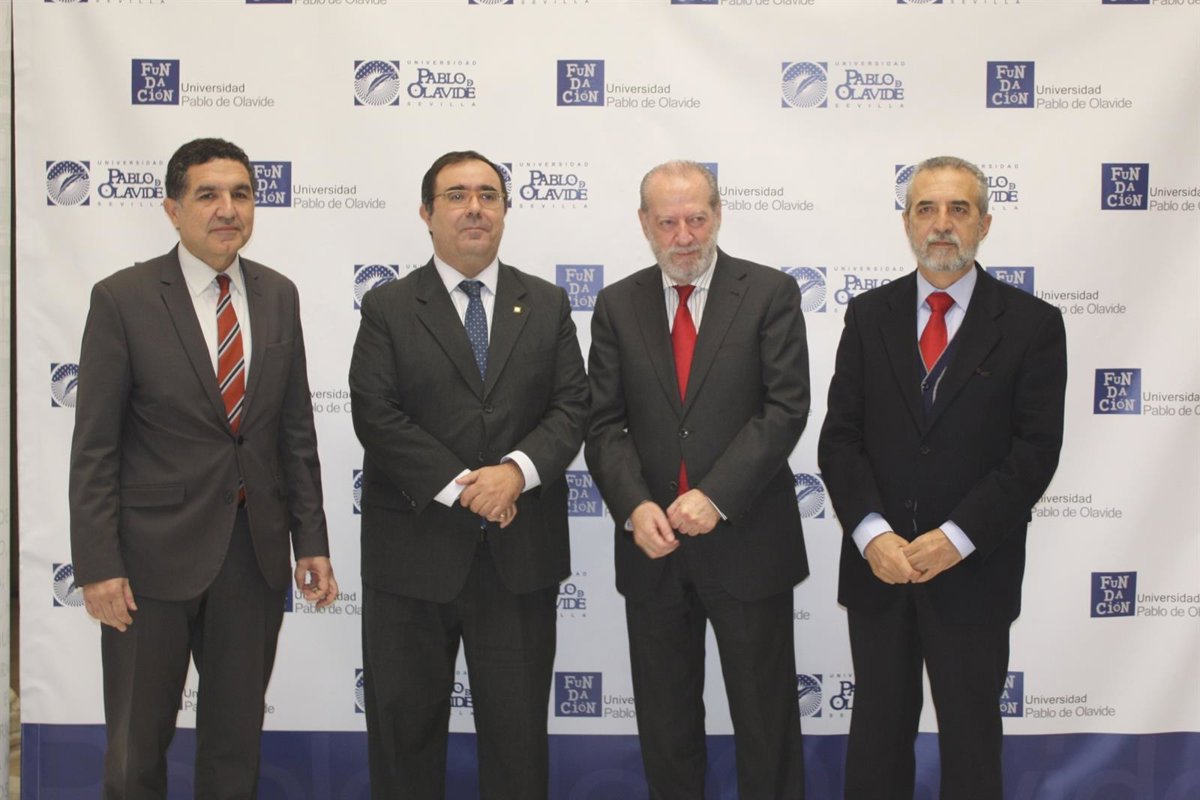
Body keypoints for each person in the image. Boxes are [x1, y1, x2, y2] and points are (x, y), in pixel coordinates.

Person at [69, 137, 337, 799]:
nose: (228, 209)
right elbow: (95, 445)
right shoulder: (123, 298)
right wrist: (98, 564)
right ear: (173, 209)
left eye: (241, 194)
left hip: (252, 555)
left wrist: (311, 540)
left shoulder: (278, 294)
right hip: (147, 564)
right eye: (208, 195)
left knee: (234, 746)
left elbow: (294, 430)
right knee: (136, 749)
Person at [818, 155, 1067, 800]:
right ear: (906, 222)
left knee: (972, 748)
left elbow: (1034, 453)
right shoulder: (867, 316)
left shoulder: (1033, 325)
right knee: (876, 745)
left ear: (985, 222)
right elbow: (840, 439)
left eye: (959, 208)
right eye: (926, 208)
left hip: (973, 575)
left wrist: (956, 538)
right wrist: (871, 535)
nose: (942, 223)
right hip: (881, 571)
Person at [348, 150, 589, 800]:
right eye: (456, 195)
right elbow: (376, 414)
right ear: (426, 213)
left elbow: (573, 406)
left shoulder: (546, 303)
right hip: (412, 559)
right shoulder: (388, 306)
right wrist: (466, 487)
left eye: (488, 195)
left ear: (505, 211)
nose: (474, 208)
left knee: (517, 746)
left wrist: (515, 473)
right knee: (403, 744)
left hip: (519, 557)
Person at [585, 160, 810, 799]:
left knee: (766, 723)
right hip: (653, 548)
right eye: (667, 222)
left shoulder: (769, 293)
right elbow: (602, 423)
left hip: (748, 544)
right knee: (666, 725)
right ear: (644, 224)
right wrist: (634, 506)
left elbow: (785, 408)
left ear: (718, 215)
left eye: (696, 219)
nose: (683, 236)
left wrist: (715, 496)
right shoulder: (617, 304)